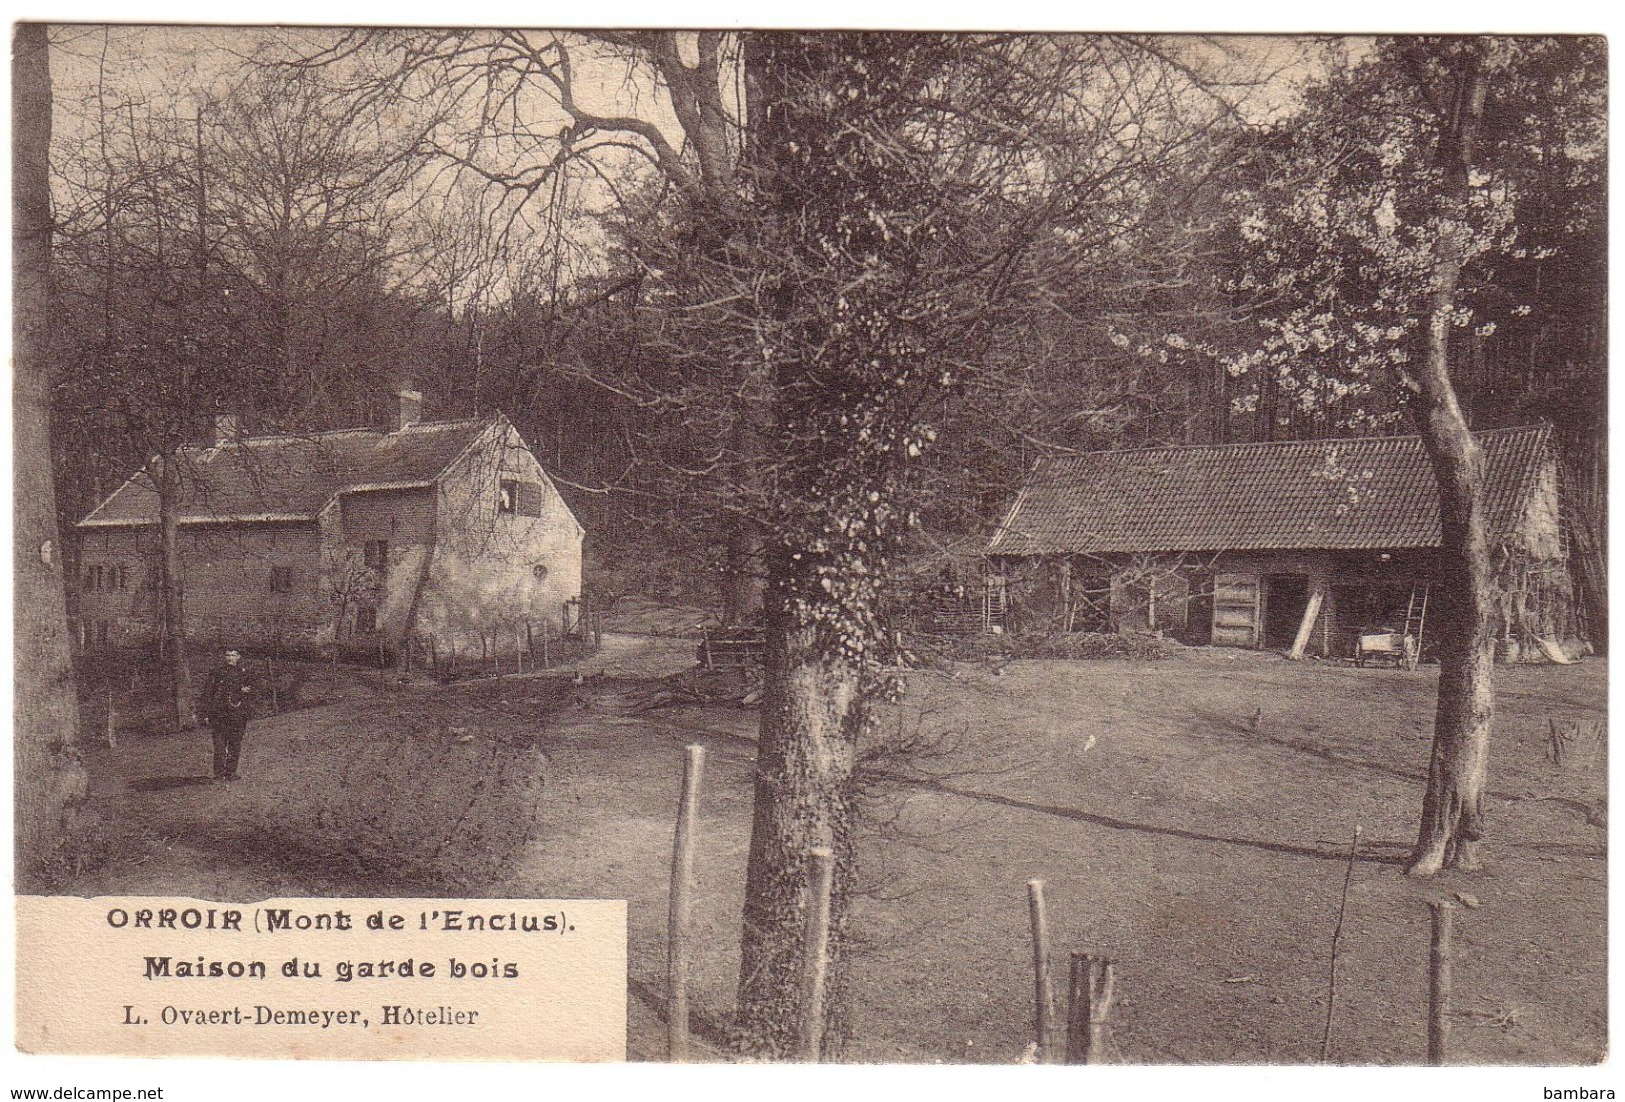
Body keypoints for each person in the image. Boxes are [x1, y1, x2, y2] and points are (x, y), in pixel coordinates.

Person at [200, 647, 257, 781]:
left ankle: (231, 772)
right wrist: (206, 713)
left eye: (233, 655)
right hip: (219, 714)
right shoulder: (217, 673)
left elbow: (253, 691)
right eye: (227, 655)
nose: (230, 658)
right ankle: (219, 773)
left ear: (239, 657)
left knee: (235, 743)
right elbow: (208, 693)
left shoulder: (245, 673)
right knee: (219, 744)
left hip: (237, 713)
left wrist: (248, 693)